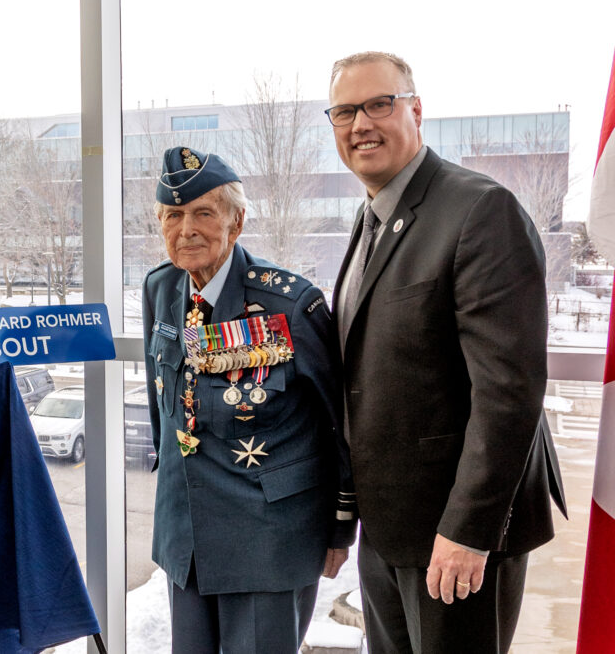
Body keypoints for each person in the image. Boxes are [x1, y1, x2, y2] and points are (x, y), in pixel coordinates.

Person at [328, 51, 566, 653]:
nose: (361, 124)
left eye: (378, 104)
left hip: (454, 538)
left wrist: (468, 530)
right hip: (390, 533)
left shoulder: (479, 210)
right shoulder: (371, 220)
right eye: (345, 111)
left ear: (416, 110)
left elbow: (509, 393)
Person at [142, 146, 357, 653]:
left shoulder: (289, 303)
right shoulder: (160, 288)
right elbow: (167, 408)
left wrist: (340, 525)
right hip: (186, 537)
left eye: (203, 213)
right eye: (173, 215)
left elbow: (339, 419)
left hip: (270, 539)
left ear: (236, 223)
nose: (186, 228)